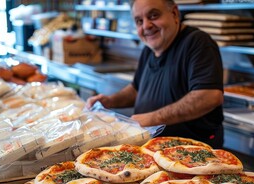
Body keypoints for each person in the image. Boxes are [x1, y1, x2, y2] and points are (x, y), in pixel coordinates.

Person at [86, 0, 224, 148]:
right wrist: (109, 101)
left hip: (191, 154)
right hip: (150, 149)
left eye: (153, 16)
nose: (146, 26)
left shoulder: (197, 42)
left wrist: (152, 118)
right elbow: (136, 89)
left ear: (174, 13)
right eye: (139, 21)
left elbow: (209, 96)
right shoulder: (149, 49)